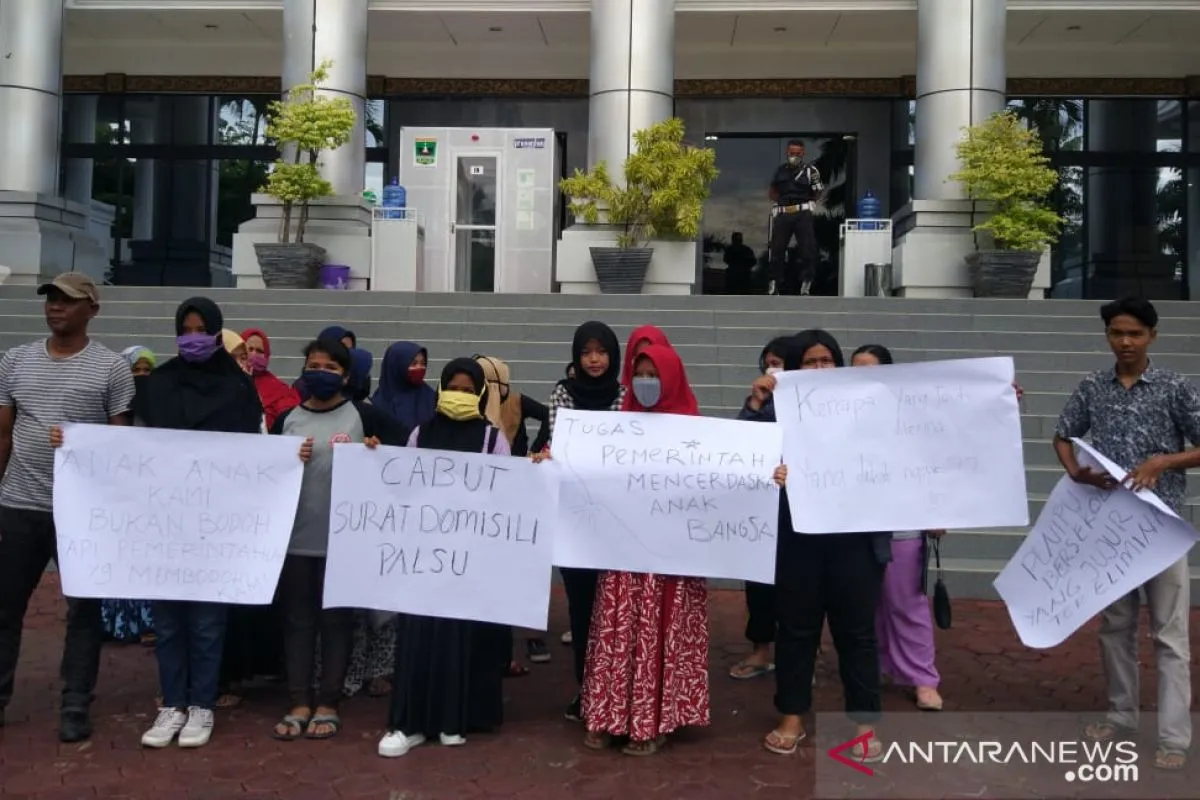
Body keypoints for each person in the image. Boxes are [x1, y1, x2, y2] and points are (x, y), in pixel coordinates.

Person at [135, 297, 303, 749]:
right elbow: (132, 445)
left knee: (208, 621)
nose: (192, 338)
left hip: (215, 523)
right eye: (185, 329)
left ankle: (202, 704)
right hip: (167, 520)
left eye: (201, 329)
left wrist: (291, 457)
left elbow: (254, 452)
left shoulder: (237, 389)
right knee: (168, 619)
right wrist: (71, 441)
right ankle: (172, 703)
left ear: (215, 333)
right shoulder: (159, 384)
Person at [1054, 297, 1200, 772]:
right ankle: (1121, 716)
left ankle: (1174, 737)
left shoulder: (1175, 387)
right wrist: (1075, 470)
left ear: (1152, 335)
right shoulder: (1093, 387)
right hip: (1110, 529)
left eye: (1135, 333)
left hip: (1162, 529)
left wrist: (1164, 461)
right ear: (1107, 336)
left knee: (1170, 635)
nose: (1125, 342)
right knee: (1115, 627)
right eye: (1117, 333)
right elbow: (1063, 433)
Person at [0, 273, 135, 742]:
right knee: (5, 606)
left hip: (82, 512)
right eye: (51, 299)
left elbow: (120, 442)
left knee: (83, 611)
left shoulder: (111, 368)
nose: (56, 307)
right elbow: (3, 433)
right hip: (19, 503)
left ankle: (76, 702)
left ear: (92, 310)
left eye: (68, 300)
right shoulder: (14, 361)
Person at [581, 344, 730, 756]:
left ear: (672, 378)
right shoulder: (618, 427)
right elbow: (588, 473)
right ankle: (608, 716)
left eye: (654, 375)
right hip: (623, 557)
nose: (646, 383)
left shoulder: (695, 430)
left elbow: (722, 479)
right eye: (640, 375)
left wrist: (764, 471)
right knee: (617, 631)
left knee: (659, 631)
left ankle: (652, 722)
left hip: (671, 562)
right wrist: (554, 461)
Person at [269, 338, 406, 742]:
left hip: (345, 542)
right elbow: (266, 475)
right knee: (297, 622)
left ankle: (329, 703)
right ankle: (298, 702)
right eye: (314, 365)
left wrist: (377, 452)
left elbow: (405, 456)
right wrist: (284, 458)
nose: (321, 373)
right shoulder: (287, 420)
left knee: (337, 622)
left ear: (346, 377)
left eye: (331, 368)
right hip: (295, 540)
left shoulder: (364, 416)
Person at [763, 330, 889, 759]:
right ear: (793, 368)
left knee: (857, 633)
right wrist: (757, 407)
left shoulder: (868, 409)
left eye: (827, 361)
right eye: (810, 362)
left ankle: (864, 724)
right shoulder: (775, 408)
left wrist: (995, 400)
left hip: (855, 540)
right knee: (795, 630)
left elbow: (919, 436)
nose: (819, 369)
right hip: (798, 540)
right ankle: (791, 715)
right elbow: (746, 452)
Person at [378, 358, 509, 758]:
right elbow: (401, 486)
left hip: (467, 558)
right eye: (453, 388)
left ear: (480, 395)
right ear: (440, 389)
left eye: (468, 391)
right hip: (422, 556)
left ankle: (453, 720)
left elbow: (507, 492)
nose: (459, 396)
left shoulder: (492, 438)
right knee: (418, 635)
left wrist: (537, 468)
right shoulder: (421, 433)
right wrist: (372, 457)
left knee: (457, 637)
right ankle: (408, 723)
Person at [537, 322, 626, 722]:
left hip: (618, 521)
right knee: (582, 608)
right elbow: (563, 445)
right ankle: (587, 691)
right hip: (575, 518)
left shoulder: (625, 396)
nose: (594, 360)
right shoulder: (563, 393)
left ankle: (617, 692)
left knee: (615, 610)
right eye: (587, 352)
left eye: (601, 352)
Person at [850, 344, 945, 713]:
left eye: (870, 369)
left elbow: (932, 461)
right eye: (854, 369)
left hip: (901, 527)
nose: (861, 376)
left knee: (906, 603)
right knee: (865, 606)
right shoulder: (838, 414)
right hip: (853, 525)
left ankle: (923, 678)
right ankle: (878, 665)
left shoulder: (911, 415)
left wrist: (935, 510)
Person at [475, 355, 552, 673]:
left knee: (520, 565)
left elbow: (549, 416)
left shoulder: (517, 401)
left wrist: (535, 448)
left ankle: (529, 637)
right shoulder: (470, 404)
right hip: (482, 494)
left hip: (518, 488)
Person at [728, 336, 792, 681]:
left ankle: (799, 652)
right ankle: (761, 648)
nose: (771, 369)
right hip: (762, 507)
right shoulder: (759, 404)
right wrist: (755, 403)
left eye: (778, 363)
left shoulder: (810, 406)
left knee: (798, 585)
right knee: (759, 583)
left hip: (800, 510)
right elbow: (740, 443)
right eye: (767, 363)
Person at [99, 346, 160, 646]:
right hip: (117, 499)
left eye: (147, 371)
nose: (142, 376)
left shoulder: (159, 409)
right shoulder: (108, 409)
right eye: (135, 370)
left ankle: (146, 622)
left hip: (150, 501)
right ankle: (114, 623)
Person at [767, 139, 822, 296]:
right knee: (777, 249)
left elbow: (818, 191)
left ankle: (806, 283)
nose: (795, 156)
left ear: (803, 153)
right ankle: (774, 283)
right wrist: (781, 203)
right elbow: (772, 191)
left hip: (802, 213)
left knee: (807, 249)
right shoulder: (780, 171)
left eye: (798, 153)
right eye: (792, 153)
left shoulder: (811, 171)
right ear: (787, 153)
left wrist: (809, 203)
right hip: (783, 213)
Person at [242, 328, 301, 431]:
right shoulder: (226, 383)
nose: (254, 354)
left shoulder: (280, 390)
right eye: (250, 349)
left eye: (259, 351)